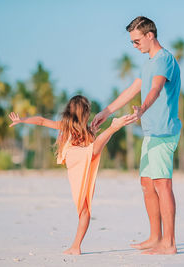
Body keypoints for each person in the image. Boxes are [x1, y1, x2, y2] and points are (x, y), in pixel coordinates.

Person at [91, 16, 181, 255]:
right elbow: (133, 90)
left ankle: (169, 243)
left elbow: (155, 88)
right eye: (132, 41)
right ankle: (155, 237)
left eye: (136, 40)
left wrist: (143, 109)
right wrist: (105, 112)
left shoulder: (164, 60)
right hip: (151, 132)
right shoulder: (149, 62)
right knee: (147, 184)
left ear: (150, 35)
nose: (134, 45)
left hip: (164, 131)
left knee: (162, 184)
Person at [8, 95, 132, 255]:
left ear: (69, 110)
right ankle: (76, 246)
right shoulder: (86, 130)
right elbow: (96, 148)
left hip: (77, 162)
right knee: (85, 207)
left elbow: (41, 121)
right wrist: (95, 133)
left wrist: (22, 120)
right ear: (86, 113)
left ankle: (76, 247)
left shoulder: (67, 126)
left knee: (84, 208)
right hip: (83, 161)